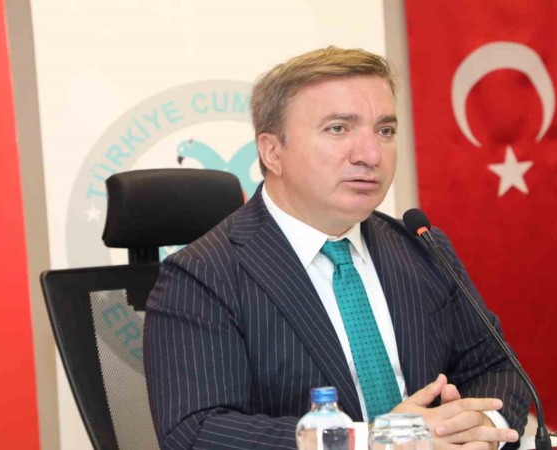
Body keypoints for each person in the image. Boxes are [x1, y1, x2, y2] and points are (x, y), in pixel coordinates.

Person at [144, 46, 530, 449]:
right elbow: (197, 432)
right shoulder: (201, 274)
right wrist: (375, 440)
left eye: (385, 131)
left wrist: (481, 430)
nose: (371, 155)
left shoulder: (421, 247)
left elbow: (498, 368)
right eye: (338, 128)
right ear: (273, 152)